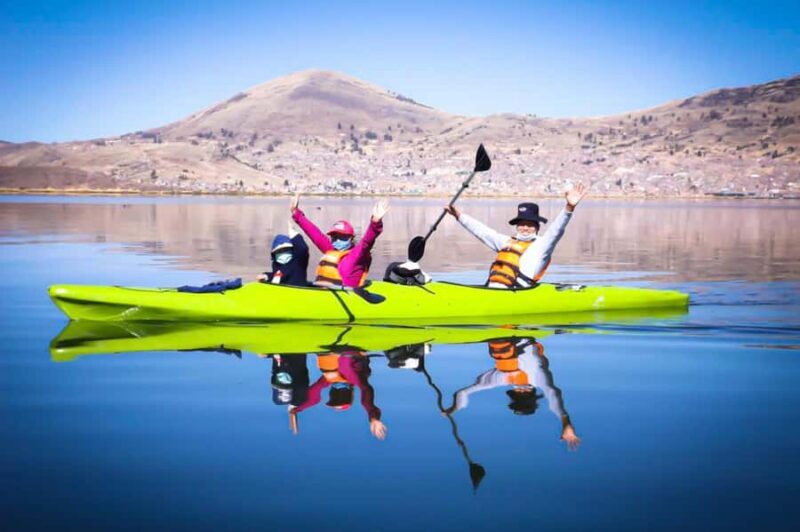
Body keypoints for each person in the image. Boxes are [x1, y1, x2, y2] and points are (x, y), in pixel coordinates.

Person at [444, 338, 581, 451]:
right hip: (518, 334)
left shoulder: (501, 379)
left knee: (503, 351)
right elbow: (553, 395)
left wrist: (455, 408)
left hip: (504, 336)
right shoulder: (533, 378)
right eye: (525, 394)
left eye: (519, 394)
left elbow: (464, 392)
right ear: (531, 393)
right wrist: (565, 422)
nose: (521, 389)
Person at [444, 183, 588, 288]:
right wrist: (458, 216)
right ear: (516, 226)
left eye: (530, 224)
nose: (525, 228)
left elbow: (556, 230)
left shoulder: (542, 246)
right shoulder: (506, 242)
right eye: (521, 224)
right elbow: (482, 232)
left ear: (537, 227)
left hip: (515, 294)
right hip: (491, 291)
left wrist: (569, 208)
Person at [290, 194, 388, 288]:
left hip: (349, 295)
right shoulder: (330, 250)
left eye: (342, 237)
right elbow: (315, 234)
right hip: (325, 293)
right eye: (334, 237)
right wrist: (296, 213)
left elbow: (367, 241)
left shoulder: (357, 255)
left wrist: (375, 223)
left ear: (351, 238)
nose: (337, 240)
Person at [288, 352, 387, 440]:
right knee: (348, 369)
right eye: (340, 398)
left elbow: (314, 396)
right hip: (346, 351)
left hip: (330, 351)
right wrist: (373, 417)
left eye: (335, 398)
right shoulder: (352, 378)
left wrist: (297, 409)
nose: (338, 395)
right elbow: (366, 391)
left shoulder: (330, 379)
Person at [256, 222, 310, 287]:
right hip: (280, 292)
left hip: (297, 291)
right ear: (274, 254)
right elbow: (278, 275)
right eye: (279, 251)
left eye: (286, 250)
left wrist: (293, 234)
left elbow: (303, 248)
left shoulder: (298, 262)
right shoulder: (277, 264)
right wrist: (266, 276)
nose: (283, 253)